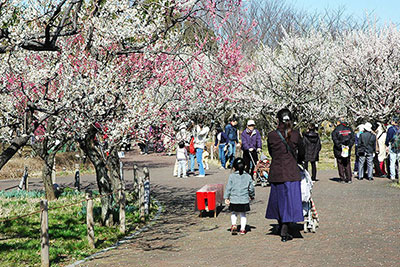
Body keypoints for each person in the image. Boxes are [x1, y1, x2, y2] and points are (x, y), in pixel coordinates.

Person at [265, 109, 305, 242]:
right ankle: (285, 229)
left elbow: (271, 152)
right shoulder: (295, 134)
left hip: (276, 172)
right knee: (290, 201)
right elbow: (302, 152)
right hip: (291, 172)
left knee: (278, 201)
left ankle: (282, 224)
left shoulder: (271, 135)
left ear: (278, 119)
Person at [224, 158, 255, 235]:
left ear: (234, 167)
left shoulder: (232, 176)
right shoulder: (248, 176)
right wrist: (252, 195)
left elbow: (228, 187)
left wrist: (226, 197)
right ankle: (242, 229)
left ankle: (234, 225)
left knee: (234, 213)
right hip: (244, 199)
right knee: (243, 214)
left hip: (234, 199)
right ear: (244, 166)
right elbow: (251, 188)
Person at [332, 118, 355, 184]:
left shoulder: (336, 130)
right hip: (347, 149)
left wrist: (340, 146)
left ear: (338, 122)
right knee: (347, 163)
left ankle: (342, 178)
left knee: (340, 163)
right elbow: (352, 138)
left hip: (338, 149)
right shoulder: (349, 129)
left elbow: (335, 139)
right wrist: (348, 146)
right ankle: (349, 178)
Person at [385, 116, 400, 181]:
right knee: (399, 161)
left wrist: (387, 144)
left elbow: (388, 138)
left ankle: (392, 176)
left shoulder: (390, 129)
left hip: (393, 145)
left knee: (392, 161)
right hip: (399, 146)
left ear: (394, 121)